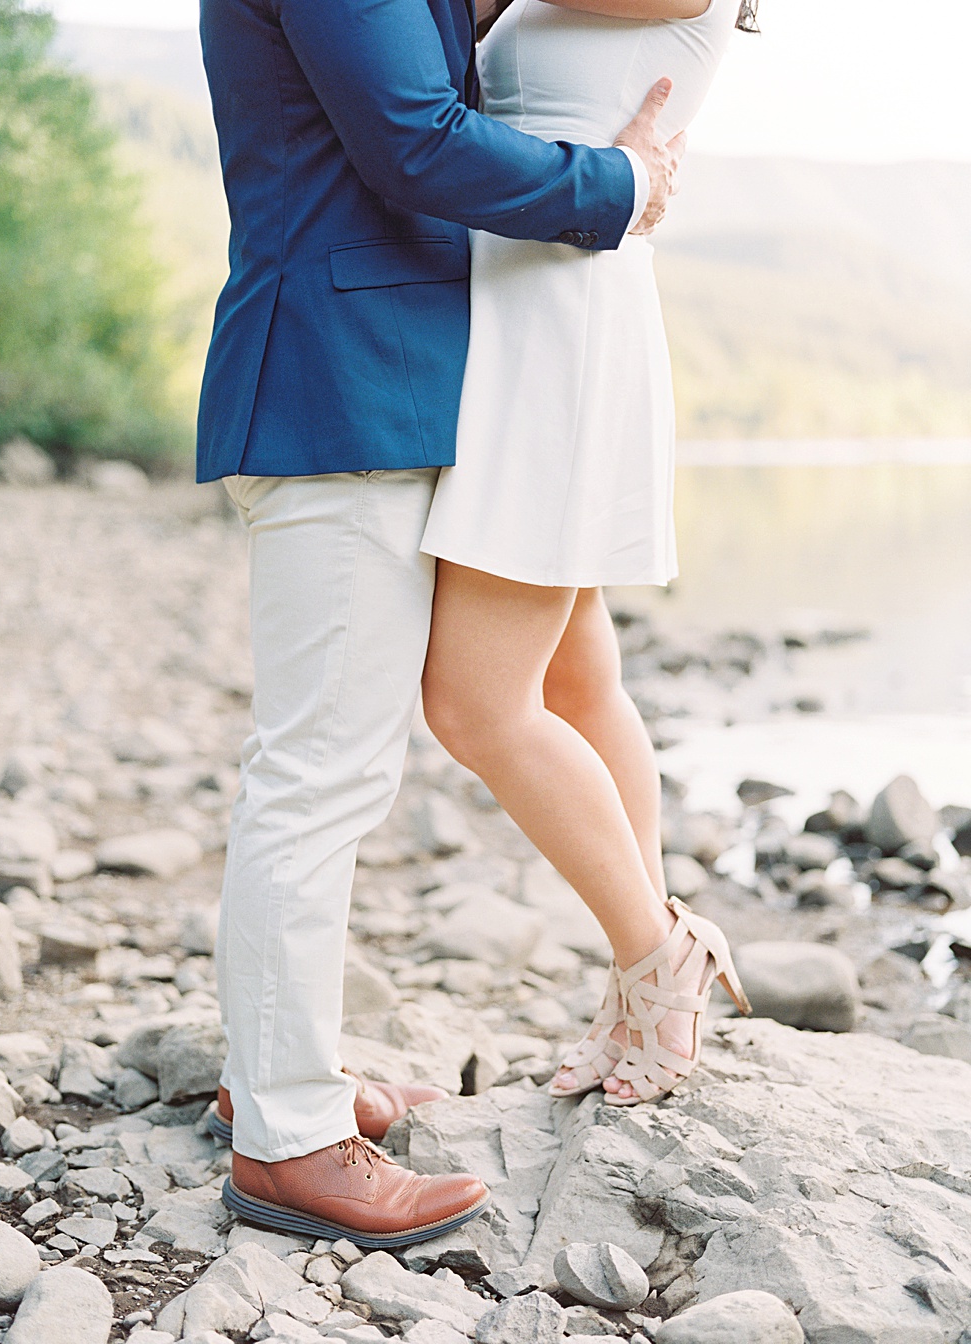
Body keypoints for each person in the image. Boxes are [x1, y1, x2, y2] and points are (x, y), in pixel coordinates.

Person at [197, 0, 686, 1246]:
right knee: (320, 774)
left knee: (333, 772)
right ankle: (289, 1143)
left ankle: (280, 1081)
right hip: (337, 383)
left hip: (390, 381)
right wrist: (619, 181)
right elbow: (412, 141)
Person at [420, 0, 758, 1108]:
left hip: (557, 321)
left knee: (475, 702)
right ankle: (639, 978)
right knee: (575, 674)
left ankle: (657, 953)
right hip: (529, 308)